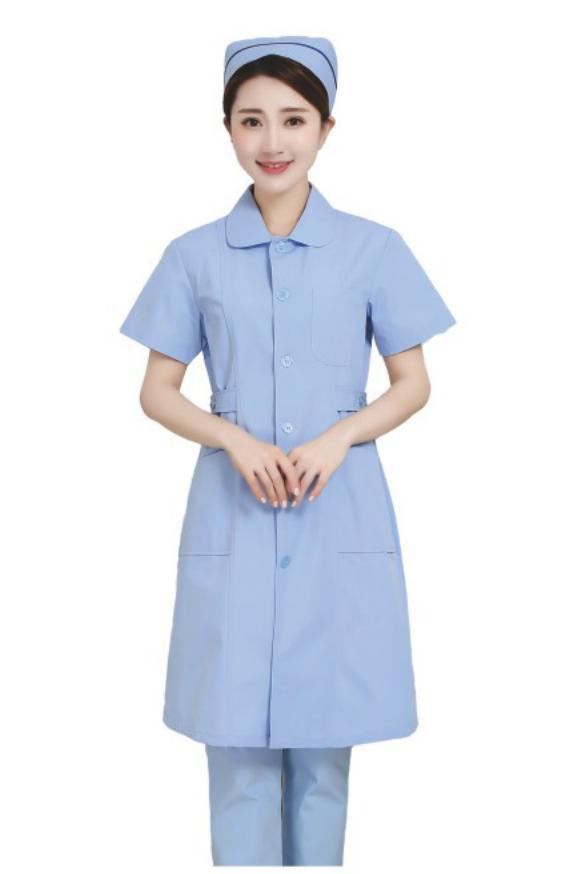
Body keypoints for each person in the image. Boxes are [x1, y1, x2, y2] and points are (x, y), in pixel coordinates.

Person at [119, 35, 456, 867]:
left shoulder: (375, 248)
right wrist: (232, 437)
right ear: (227, 128)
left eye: (294, 119)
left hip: (339, 509)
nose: (273, 141)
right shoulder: (192, 255)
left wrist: (342, 434)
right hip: (233, 514)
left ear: (327, 128)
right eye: (252, 120)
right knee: (236, 757)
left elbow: (412, 383)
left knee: (323, 763)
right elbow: (157, 390)